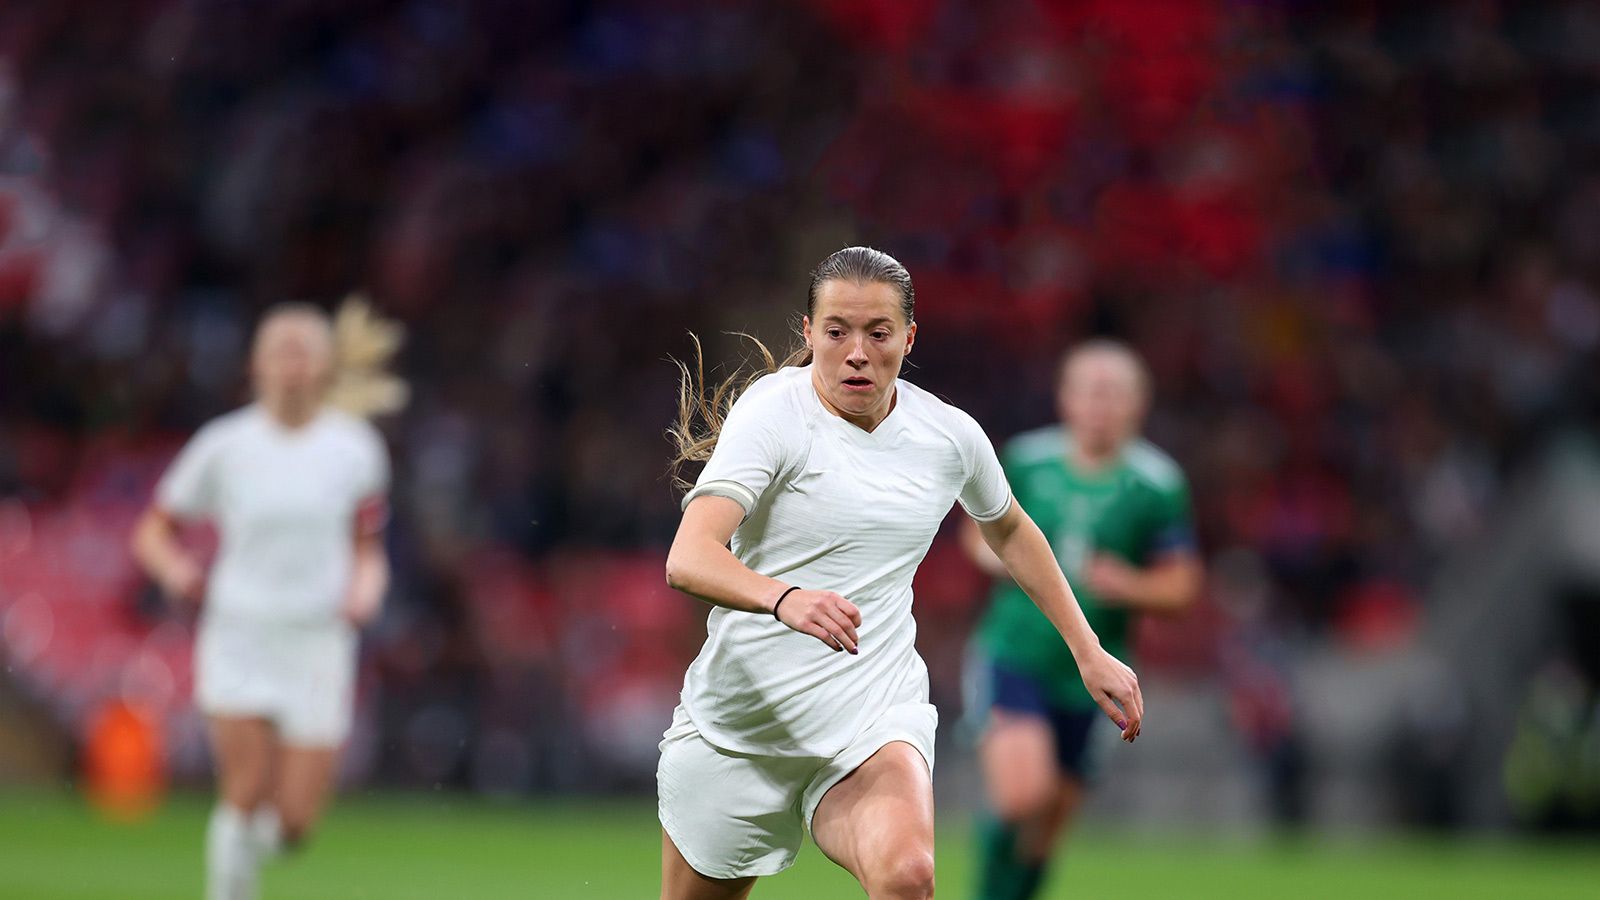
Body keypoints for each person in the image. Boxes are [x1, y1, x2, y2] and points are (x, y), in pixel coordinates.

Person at [659, 247, 1144, 900]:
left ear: (908, 337)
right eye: (836, 331)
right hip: (744, 725)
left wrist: (1088, 650)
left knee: (907, 877)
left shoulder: (946, 436)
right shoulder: (771, 414)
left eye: (878, 333)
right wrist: (784, 599)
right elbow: (688, 556)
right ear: (808, 332)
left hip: (869, 713)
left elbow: (1008, 528)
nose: (856, 351)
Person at [130, 299, 405, 900]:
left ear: (325, 365)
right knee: (245, 789)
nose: (291, 363)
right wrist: (180, 574)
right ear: (256, 364)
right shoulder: (224, 445)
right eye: (280, 350)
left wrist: (366, 588)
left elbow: (367, 546)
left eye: (303, 350)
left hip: (316, 641)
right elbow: (152, 531)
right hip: (241, 631)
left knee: (294, 824)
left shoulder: (355, 450)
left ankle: (243, 859)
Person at [962, 340, 1202, 899]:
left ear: (1137, 405)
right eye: (1090, 393)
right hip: (1017, 653)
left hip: (1094, 675)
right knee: (1023, 796)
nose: (1101, 406)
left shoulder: (1156, 484)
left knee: (1045, 829)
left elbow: (1183, 585)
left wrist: (1131, 584)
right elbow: (978, 538)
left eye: (1114, 395)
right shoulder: (1027, 459)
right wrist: (1010, 563)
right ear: (1065, 399)